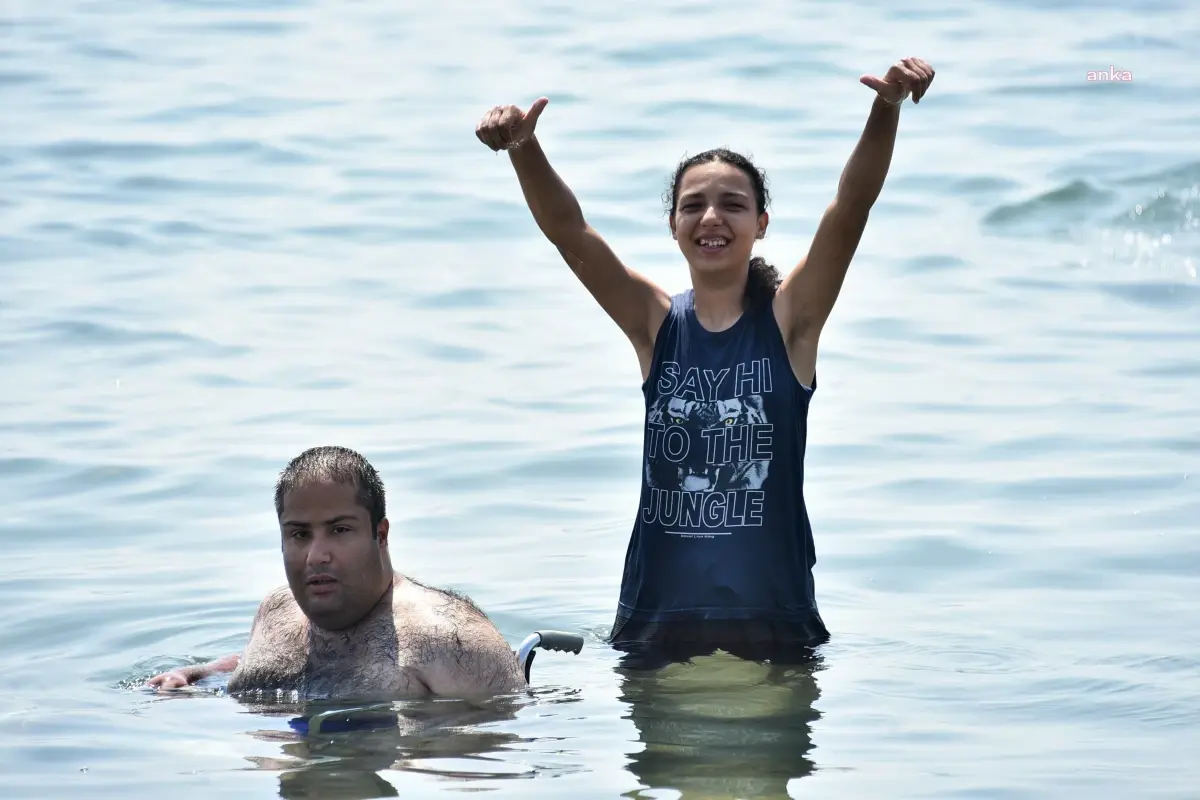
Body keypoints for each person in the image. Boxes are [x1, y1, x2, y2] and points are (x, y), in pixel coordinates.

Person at [475, 57, 935, 667]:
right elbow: (571, 233)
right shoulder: (654, 324)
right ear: (672, 225)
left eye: (732, 205)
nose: (711, 217)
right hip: (658, 620)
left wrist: (886, 108)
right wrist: (524, 148)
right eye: (693, 205)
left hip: (772, 622)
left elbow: (850, 209)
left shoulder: (791, 326)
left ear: (761, 224)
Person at [146, 445, 527, 699]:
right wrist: (197, 673)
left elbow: (502, 755)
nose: (316, 556)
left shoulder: (452, 640)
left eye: (339, 530)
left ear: (380, 534)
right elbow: (256, 660)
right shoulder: (276, 611)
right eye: (299, 534)